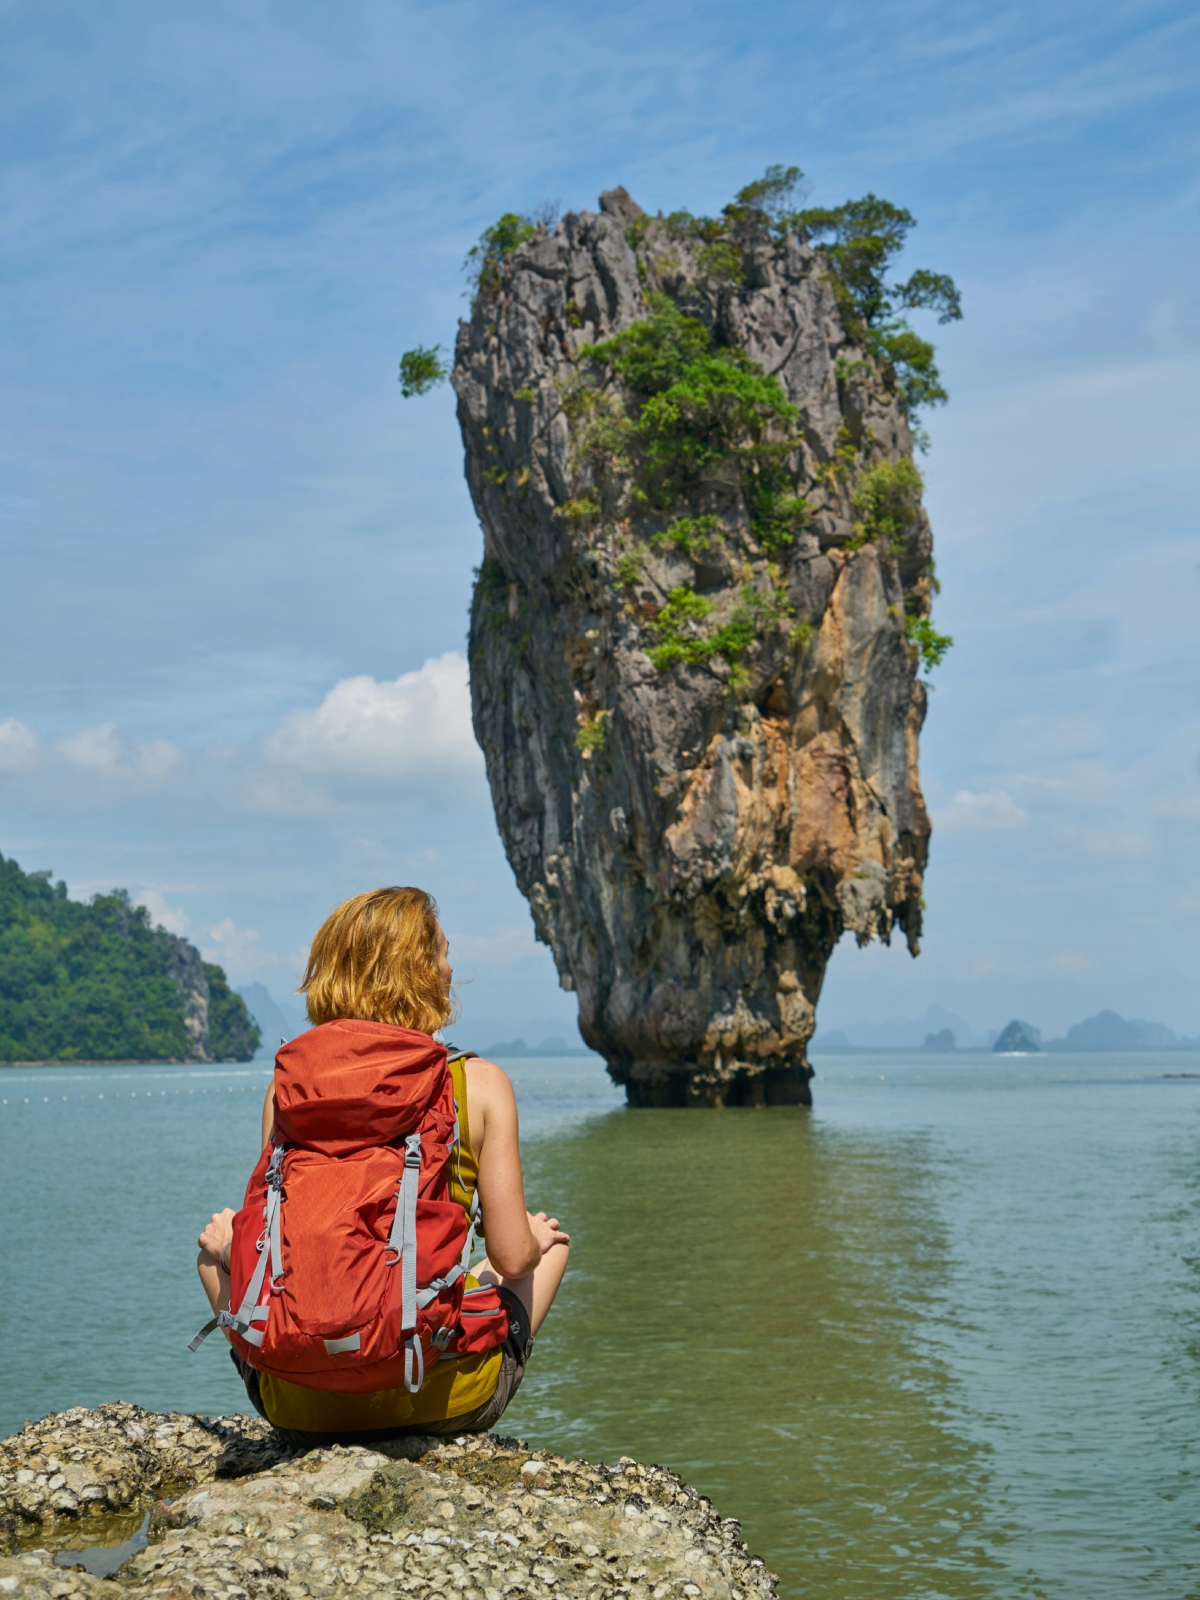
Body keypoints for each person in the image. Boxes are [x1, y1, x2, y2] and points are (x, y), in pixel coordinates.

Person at [195, 886, 570, 1444]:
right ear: (420, 971)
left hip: (299, 1409)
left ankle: (302, 1383)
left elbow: (267, 1250)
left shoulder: (288, 1088)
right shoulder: (478, 1083)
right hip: (437, 1396)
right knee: (548, 1247)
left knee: (210, 1252)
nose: (450, 967)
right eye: (442, 952)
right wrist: (535, 1238)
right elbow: (512, 1258)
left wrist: (227, 1244)